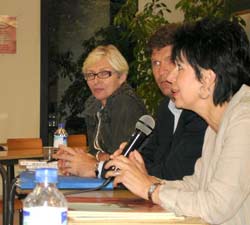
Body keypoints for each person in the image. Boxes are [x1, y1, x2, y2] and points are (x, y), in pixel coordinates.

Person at [105, 18, 250, 225]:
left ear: (207, 79)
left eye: (179, 67)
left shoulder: (245, 120)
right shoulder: (217, 124)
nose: (171, 77)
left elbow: (215, 206)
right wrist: (145, 178)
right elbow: (196, 186)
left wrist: (149, 189)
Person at [54, 44, 147, 177]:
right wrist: (76, 159)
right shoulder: (94, 103)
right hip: (102, 178)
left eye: (104, 73)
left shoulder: (126, 104)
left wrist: (92, 160)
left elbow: (121, 163)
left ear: (121, 77)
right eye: (91, 75)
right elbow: (94, 151)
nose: (96, 81)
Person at [141, 23, 207, 180]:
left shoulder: (200, 110)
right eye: (155, 63)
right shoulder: (165, 107)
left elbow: (175, 173)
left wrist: (136, 172)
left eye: (170, 60)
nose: (162, 72)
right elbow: (146, 156)